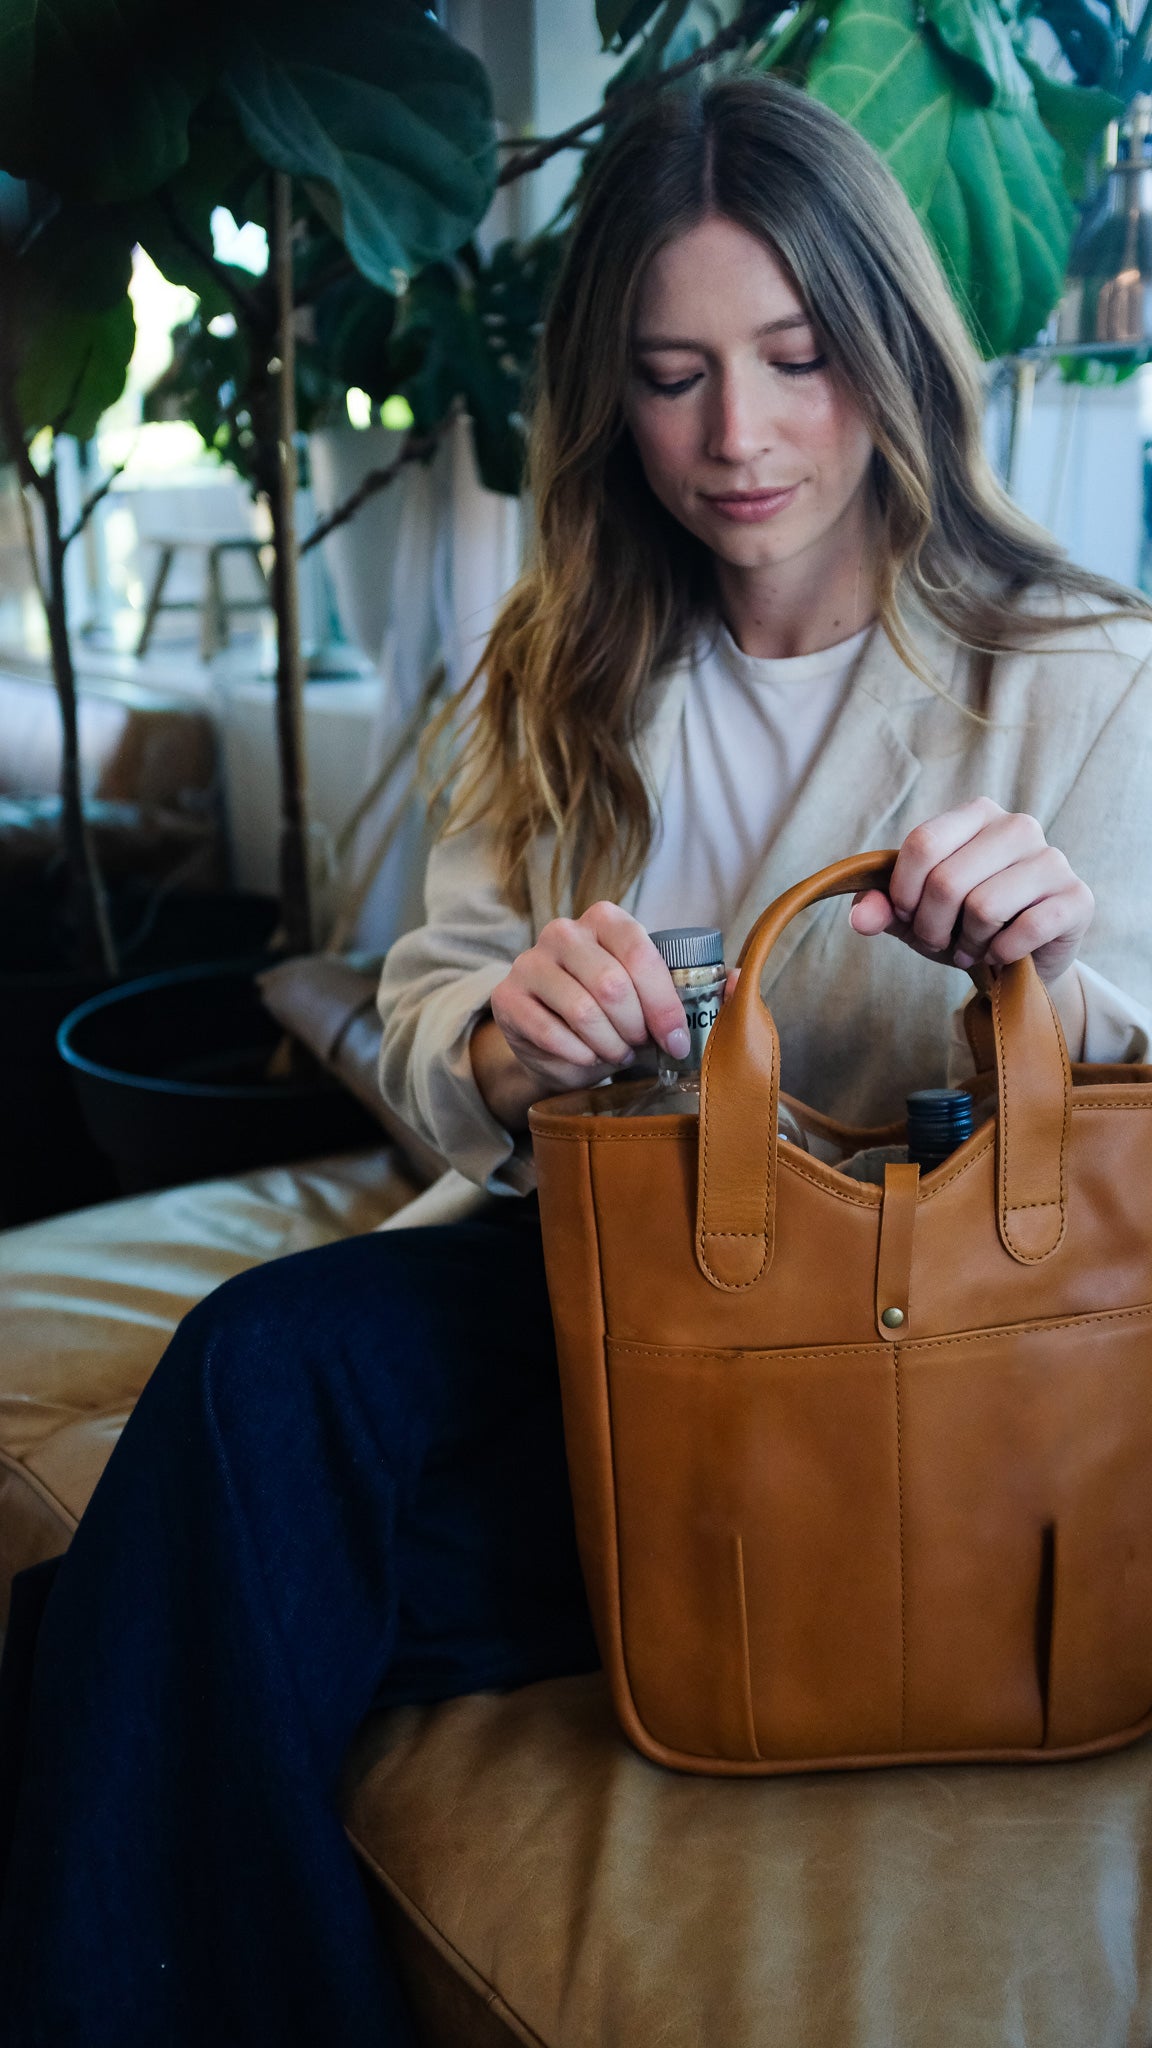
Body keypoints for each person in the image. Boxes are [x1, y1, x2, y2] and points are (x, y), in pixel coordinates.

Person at [2, 71, 1151, 2048]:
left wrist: (1056, 954)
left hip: (912, 1366)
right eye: (672, 371)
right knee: (259, 1383)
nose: (741, 436)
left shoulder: (1082, 669)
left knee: (165, 1603)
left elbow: (1127, 1040)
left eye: (796, 357)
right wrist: (504, 1049)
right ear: (607, 396)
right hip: (599, 1318)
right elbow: (437, 1007)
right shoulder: (558, 659)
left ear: (884, 343)